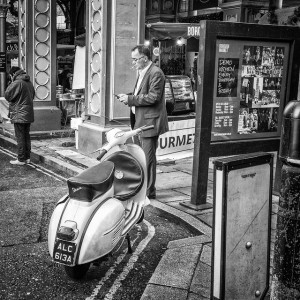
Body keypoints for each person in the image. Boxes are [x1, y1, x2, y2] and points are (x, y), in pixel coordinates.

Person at [117, 45, 169, 199]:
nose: (133, 62)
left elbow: (153, 97)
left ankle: (149, 192)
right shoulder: (142, 71)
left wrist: (131, 99)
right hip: (140, 121)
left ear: (144, 58)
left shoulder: (156, 73)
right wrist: (127, 96)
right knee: (140, 157)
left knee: (148, 159)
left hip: (150, 123)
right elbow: (140, 94)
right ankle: (142, 188)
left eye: (135, 59)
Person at [5, 66, 35, 165]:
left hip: (19, 114)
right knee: (26, 136)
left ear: (13, 74)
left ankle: (21, 159)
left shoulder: (17, 82)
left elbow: (8, 96)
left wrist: (10, 83)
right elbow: (33, 95)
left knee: (20, 137)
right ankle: (27, 158)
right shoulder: (29, 82)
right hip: (28, 113)